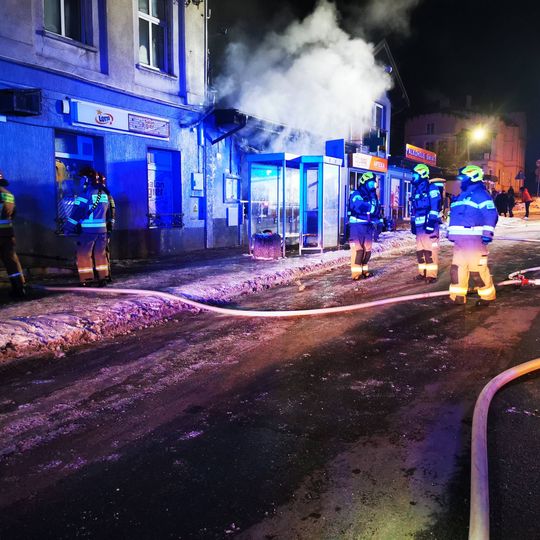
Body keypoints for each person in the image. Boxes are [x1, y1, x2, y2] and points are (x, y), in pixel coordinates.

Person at [447, 165, 498, 305]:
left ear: (473, 177)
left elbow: (491, 214)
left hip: (474, 241)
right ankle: (457, 297)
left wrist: (488, 233)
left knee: (478, 271)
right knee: (457, 271)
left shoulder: (481, 194)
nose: (461, 180)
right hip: (460, 242)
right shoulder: (462, 195)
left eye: (463, 177)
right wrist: (450, 232)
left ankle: (487, 297)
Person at [65, 166, 114, 286]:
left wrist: (68, 228)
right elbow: (110, 213)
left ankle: (87, 279)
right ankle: (103, 277)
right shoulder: (105, 194)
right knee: (100, 254)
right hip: (102, 231)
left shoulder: (84, 195)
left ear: (86, 180)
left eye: (81, 180)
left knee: (83, 255)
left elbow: (76, 213)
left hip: (88, 232)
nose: (79, 182)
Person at [409, 163, 442, 283]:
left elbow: (435, 206)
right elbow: (414, 209)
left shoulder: (432, 188)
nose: (413, 177)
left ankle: (431, 275)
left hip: (429, 225)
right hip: (419, 227)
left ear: (422, 174)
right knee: (420, 252)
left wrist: (431, 222)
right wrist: (413, 223)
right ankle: (422, 273)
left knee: (430, 251)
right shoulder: (416, 190)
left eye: (415, 175)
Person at [348, 172, 380, 280]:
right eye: (370, 183)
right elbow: (358, 205)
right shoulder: (356, 194)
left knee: (367, 250)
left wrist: (378, 222)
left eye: (373, 184)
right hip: (357, 225)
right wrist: (371, 208)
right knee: (358, 250)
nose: (373, 186)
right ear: (364, 182)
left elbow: (377, 210)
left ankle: (364, 271)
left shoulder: (373, 196)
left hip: (368, 225)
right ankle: (356, 274)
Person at [0, 170, 26, 299]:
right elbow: (13, 214)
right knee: (11, 262)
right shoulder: (8, 194)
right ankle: (19, 288)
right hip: (7, 233)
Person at [96, 171, 115, 281]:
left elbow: (111, 212)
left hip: (103, 229)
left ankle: (106, 275)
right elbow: (112, 211)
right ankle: (106, 275)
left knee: (102, 253)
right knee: (103, 253)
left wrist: (110, 227)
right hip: (104, 228)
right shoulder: (107, 195)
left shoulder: (104, 195)